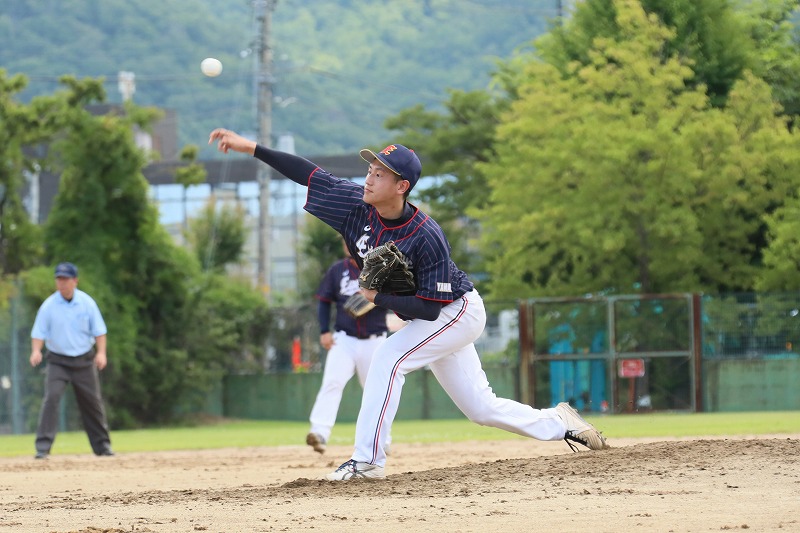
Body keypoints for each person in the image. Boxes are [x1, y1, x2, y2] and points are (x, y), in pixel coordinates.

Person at [209, 128, 608, 481]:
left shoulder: (425, 235)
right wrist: (252, 148)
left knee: (389, 358)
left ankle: (367, 461)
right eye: (370, 170)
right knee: (481, 409)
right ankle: (560, 422)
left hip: (457, 312)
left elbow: (430, 311)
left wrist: (377, 298)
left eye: (379, 173)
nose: (369, 178)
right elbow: (307, 173)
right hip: (433, 317)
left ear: (401, 186)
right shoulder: (356, 205)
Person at [306, 241, 392, 455]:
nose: (347, 243)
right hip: (344, 339)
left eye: (351, 239)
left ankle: (382, 438)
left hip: (375, 339)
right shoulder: (337, 270)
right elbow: (324, 301)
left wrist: (375, 297)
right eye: (344, 240)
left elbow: (397, 297)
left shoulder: (381, 268)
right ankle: (319, 432)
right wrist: (324, 331)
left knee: (377, 389)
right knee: (332, 382)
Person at [29, 262, 114, 459]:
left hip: (84, 360)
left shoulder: (87, 303)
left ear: (75, 281)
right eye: (59, 279)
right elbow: (39, 332)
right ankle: (42, 448)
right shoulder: (49, 305)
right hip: (58, 361)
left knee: (92, 402)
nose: (62, 283)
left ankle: (102, 446)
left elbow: (99, 331)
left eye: (65, 279)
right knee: (51, 398)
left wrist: (101, 353)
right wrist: (36, 351)